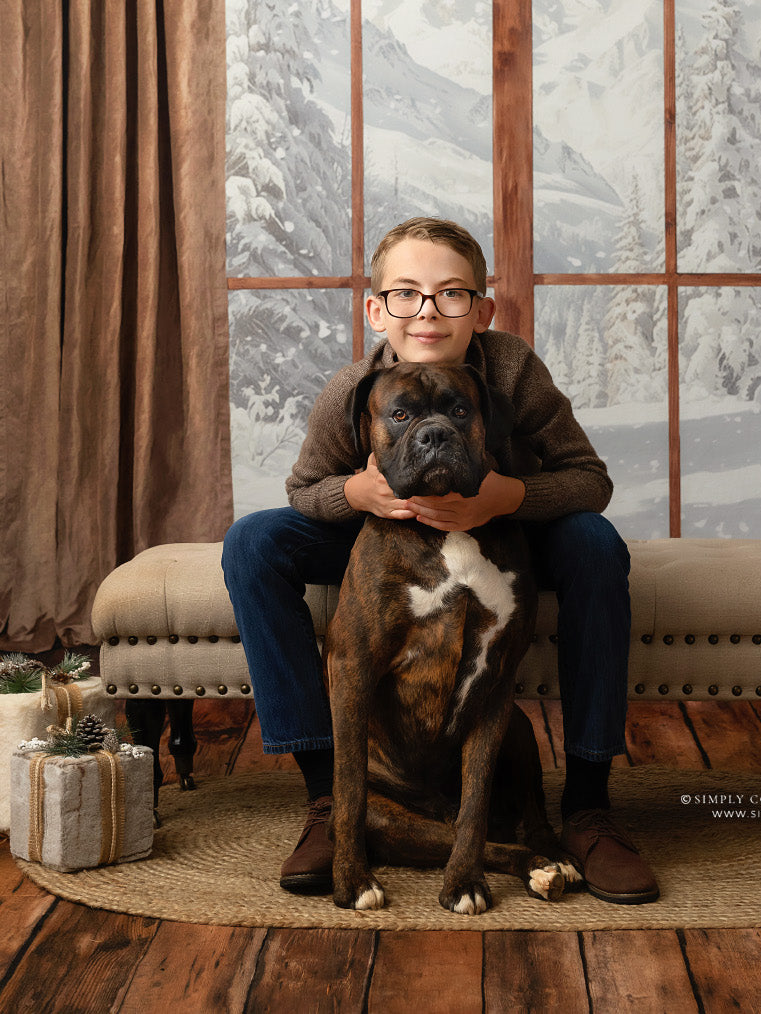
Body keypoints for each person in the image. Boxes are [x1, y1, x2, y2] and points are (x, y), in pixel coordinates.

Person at [222, 216, 659, 905]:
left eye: (451, 294)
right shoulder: (353, 388)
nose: (427, 311)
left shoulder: (512, 371)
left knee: (596, 544)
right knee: (252, 542)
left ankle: (588, 808)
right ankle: (327, 802)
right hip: (387, 531)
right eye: (405, 294)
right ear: (376, 309)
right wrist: (355, 491)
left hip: (500, 528)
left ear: (482, 309)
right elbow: (303, 491)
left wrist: (504, 498)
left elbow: (589, 480)